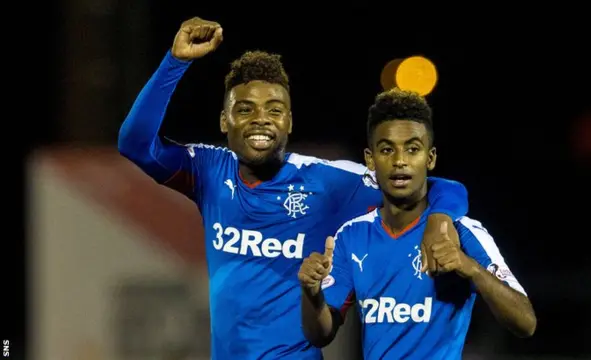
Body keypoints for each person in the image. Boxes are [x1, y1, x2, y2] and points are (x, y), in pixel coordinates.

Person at [118, 17, 469, 360]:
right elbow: (135, 144)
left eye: (275, 110)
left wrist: (439, 219)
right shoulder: (208, 170)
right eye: (245, 109)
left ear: (289, 121)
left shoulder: (329, 183)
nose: (261, 119)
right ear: (225, 121)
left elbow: (439, 187)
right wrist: (174, 62)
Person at [298, 88, 537, 359]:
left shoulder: (462, 231)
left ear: (430, 158)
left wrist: (469, 267)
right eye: (387, 149)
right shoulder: (351, 235)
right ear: (370, 159)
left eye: (412, 149)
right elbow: (321, 334)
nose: (400, 161)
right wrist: (311, 292)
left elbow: (525, 322)